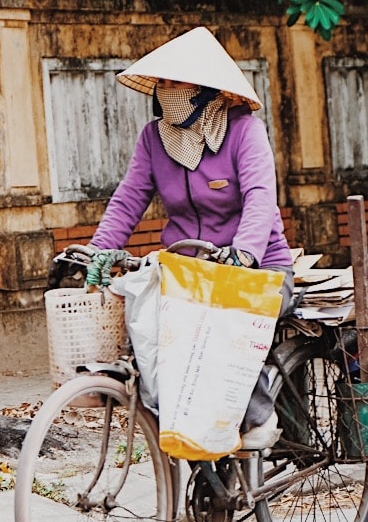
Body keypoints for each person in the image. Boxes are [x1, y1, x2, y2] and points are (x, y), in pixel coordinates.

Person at [84, 25, 293, 447]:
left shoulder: (243, 132)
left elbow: (259, 197)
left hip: (260, 271)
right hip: (187, 272)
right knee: (148, 324)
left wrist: (246, 253)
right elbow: (128, 199)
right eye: (162, 83)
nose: (165, 91)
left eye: (175, 81)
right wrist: (96, 251)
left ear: (203, 88)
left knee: (220, 321)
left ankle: (259, 417)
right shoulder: (154, 140)